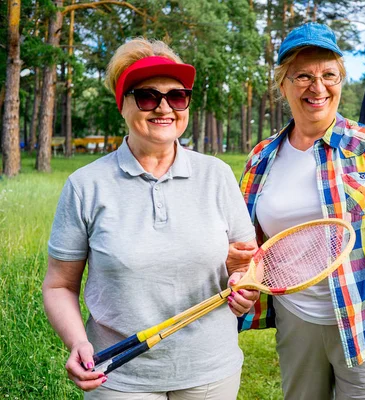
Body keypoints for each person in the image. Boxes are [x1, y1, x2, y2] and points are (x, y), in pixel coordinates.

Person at [42, 38, 258, 399]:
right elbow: (59, 285)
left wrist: (243, 282)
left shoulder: (217, 175)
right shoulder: (85, 186)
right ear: (122, 104)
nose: (164, 108)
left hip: (210, 370)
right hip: (119, 376)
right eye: (147, 96)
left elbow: (248, 260)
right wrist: (78, 342)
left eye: (177, 96)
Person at [230, 23, 365, 400]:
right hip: (296, 319)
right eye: (303, 76)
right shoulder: (260, 158)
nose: (318, 86)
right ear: (283, 85)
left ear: (341, 79)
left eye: (329, 75)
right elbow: (253, 247)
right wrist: (242, 276)